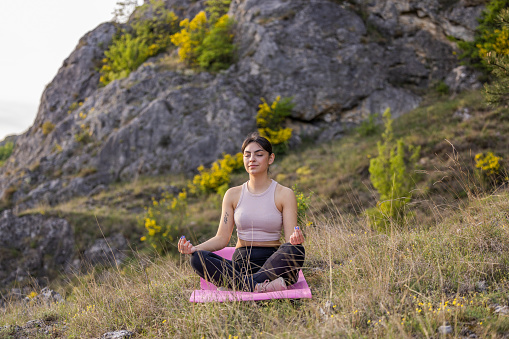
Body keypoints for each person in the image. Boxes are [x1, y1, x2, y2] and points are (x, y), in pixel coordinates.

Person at [178, 132, 305, 293]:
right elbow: (222, 238)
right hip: (240, 266)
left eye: (259, 155)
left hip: (272, 264)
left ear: (270, 159)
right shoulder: (232, 194)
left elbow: (289, 240)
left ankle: (240, 286)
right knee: (197, 259)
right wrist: (194, 248)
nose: (252, 159)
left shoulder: (284, 194)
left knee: (296, 250)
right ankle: (258, 286)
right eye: (247, 155)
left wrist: (295, 240)